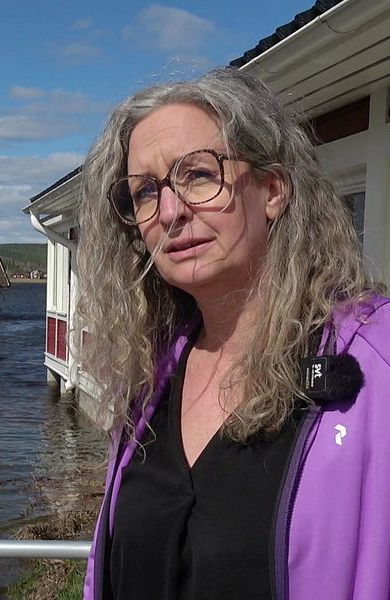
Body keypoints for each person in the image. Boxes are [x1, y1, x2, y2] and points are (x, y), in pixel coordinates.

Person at [74, 67, 390, 600]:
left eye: (198, 174)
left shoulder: (375, 363)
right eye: (145, 191)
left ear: (272, 188)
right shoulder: (153, 378)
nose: (170, 211)